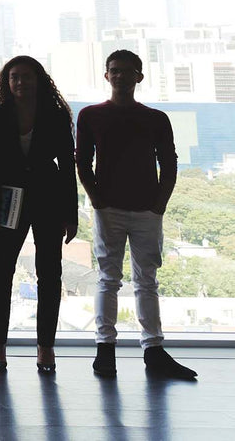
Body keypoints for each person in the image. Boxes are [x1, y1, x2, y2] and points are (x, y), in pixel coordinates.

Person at [77, 49, 196, 379]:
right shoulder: (89, 115)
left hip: (147, 210)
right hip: (109, 209)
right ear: (106, 75)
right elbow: (82, 163)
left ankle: (153, 350)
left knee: (146, 281)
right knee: (108, 279)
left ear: (139, 77)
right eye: (114, 70)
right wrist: (98, 201)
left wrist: (159, 205)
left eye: (127, 71)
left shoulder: (156, 119)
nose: (120, 76)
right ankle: (105, 350)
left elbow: (169, 164)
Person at [0, 56, 76, 373]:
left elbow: (66, 166)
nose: (20, 82)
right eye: (14, 77)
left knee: (50, 273)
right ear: (6, 83)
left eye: (26, 76)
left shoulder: (56, 115)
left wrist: (70, 214)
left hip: (48, 197)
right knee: (0, 273)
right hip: (8, 198)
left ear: (39, 79)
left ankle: (45, 348)